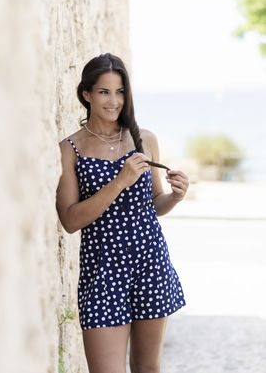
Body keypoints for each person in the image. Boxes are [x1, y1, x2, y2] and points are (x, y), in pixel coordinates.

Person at [56, 53, 189, 373]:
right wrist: (120, 182)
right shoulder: (70, 148)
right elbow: (70, 220)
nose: (114, 101)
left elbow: (154, 203)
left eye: (120, 91)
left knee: (148, 368)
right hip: (102, 271)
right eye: (104, 92)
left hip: (150, 263)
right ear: (86, 94)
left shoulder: (145, 139)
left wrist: (175, 197)